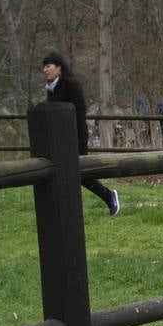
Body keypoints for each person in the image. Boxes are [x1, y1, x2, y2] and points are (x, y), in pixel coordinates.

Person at [41, 52, 120, 216]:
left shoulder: (71, 85)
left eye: (48, 66)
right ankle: (67, 210)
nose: (45, 70)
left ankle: (108, 196)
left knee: (81, 173)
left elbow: (79, 111)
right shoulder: (51, 89)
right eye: (44, 66)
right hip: (59, 139)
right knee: (62, 173)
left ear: (59, 68)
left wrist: (77, 136)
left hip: (76, 137)